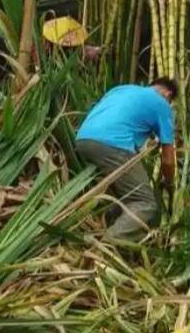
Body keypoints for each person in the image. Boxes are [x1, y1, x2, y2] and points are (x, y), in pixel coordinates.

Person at [75, 78, 179, 240]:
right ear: (168, 94)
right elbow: (168, 160)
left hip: (82, 140)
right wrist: (170, 185)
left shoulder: (121, 89)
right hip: (112, 144)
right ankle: (108, 243)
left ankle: (107, 229)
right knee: (145, 202)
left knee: (122, 196)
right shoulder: (162, 104)